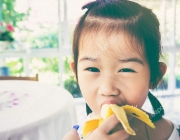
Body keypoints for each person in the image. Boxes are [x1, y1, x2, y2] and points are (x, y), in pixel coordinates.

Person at [63, 0, 180, 139]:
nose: (107, 89)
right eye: (92, 69)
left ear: (155, 76)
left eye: (126, 70)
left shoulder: (171, 133)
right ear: (76, 74)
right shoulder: (74, 137)